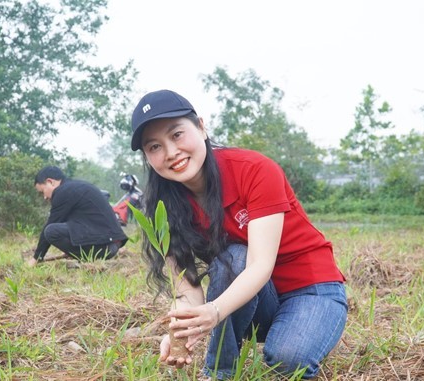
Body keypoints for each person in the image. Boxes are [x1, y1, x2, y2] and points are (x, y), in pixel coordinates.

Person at [130, 89, 347, 379]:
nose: (171, 153)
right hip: (258, 299)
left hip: (311, 288)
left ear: (202, 127)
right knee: (234, 257)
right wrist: (179, 332)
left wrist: (215, 311)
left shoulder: (254, 170)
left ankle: (308, 328)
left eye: (177, 135)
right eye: (154, 147)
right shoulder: (162, 205)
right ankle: (220, 373)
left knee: (288, 360)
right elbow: (187, 287)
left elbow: (260, 264)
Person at [26, 166, 128, 267]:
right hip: (112, 243)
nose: (44, 197)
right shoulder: (75, 187)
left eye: (42, 192)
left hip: (105, 246)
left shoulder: (62, 192)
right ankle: (82, 254)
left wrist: (36, 258)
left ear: (50, 182)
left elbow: (50, 225)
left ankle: (86, 258)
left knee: (50, 231)